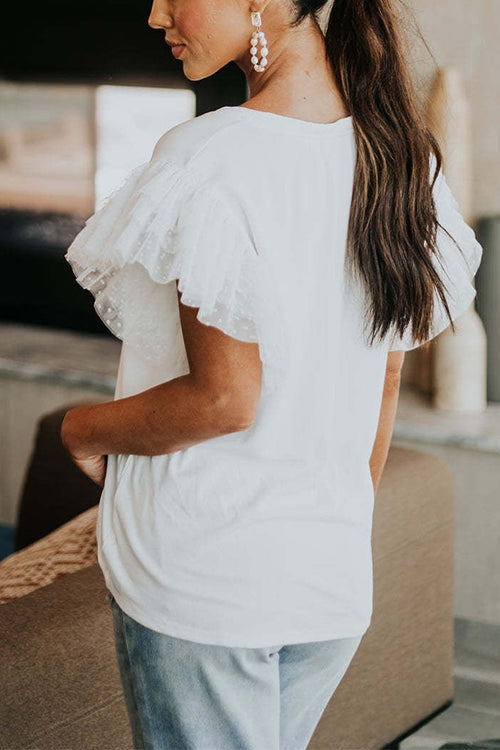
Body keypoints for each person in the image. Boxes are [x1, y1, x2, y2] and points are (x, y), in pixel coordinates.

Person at [61, 0, 483, 747]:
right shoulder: (400, 153)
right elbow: (382, 382)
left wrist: (81, 429)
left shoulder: (210, 156)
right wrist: (332, 531)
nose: (156, 13)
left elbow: (225, 399)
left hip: (206, 585)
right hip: (328, 582)